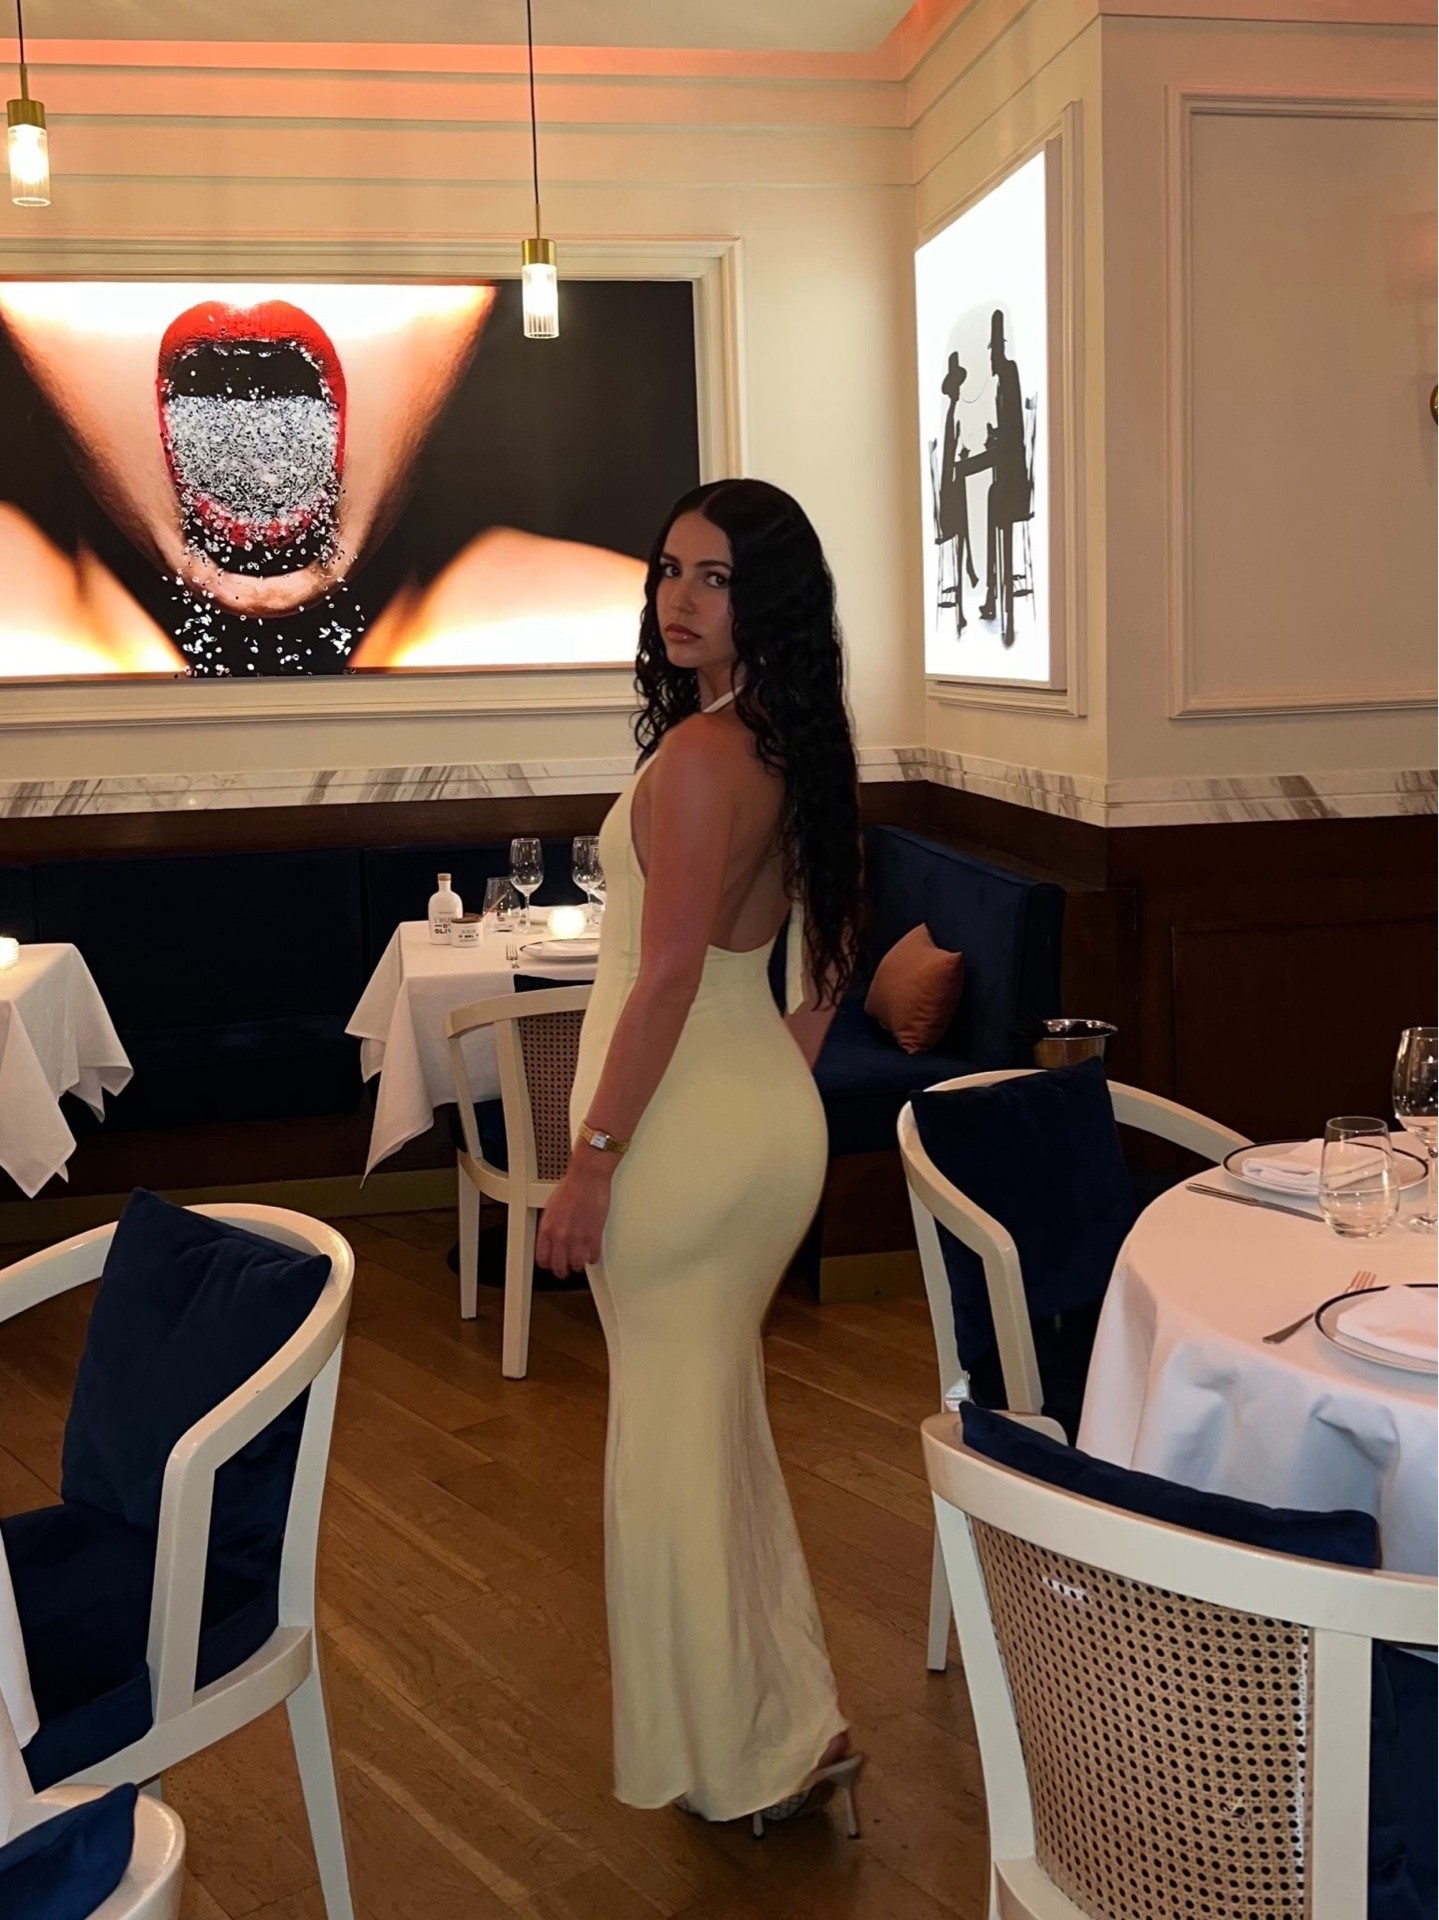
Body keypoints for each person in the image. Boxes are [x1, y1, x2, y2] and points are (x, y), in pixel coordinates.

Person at [535, 477, 867, 1834]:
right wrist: (774, 1075)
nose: (678, 599)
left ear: (763, 598)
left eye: (713, 577)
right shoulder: (792, 742)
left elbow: (666, 974)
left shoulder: (699, 758)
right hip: (746, 1116)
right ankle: (784, 1724)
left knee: (672, 1447)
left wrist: (593, 1160)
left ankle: (742, 1763)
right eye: (667, 570)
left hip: (678, 1132)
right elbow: (829, 947)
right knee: (713, 1428)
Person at [977, 307, 1026, 645]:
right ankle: (992, 592)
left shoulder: (1008, 375)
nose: (991, 361)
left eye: (993, 353)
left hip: (1014, 479)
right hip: (1009, 472)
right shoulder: (1003, 379)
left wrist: (997, 441)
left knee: (994, 498)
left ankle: (995, 593)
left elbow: (1013, 429)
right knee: (991, 497)